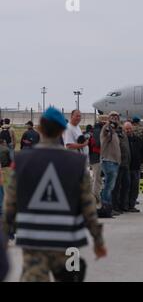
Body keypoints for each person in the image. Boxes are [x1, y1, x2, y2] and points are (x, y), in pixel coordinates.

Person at [2, 107, 107, 282]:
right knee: (69, 277)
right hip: (66, 239)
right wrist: (98, 240)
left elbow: (10, 204)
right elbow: (88, 207)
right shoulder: (76, 163)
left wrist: (4, 236)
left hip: (33, 239)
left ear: (40, 129)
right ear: (61, 130)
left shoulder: (22, 160)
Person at [99, 112, 121, 214]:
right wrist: (109, 124)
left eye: (116, 117)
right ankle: (105, 208)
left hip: (114, 162)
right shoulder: (106, 129)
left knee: (110, 186)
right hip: (108, 161)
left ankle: (108, 207)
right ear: (109, 119)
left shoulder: (115, 132)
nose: (115, 119)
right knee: (108, 186)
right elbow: (105, 132)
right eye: (113, 117)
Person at [125, 122, 143, 213]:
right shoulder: (123, 140)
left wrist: (140, 161)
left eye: (129, 129)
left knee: (135, 187)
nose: (128, 131)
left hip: (136, 167)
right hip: (126, 167)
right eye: (126, 129)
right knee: (126, 187)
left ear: (132, 129)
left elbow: (142, 151)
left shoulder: (137, 139)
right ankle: (125, 205)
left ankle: (131, 205)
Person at [111, 125, 130, 215]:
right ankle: (115, 206)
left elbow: (127, 149)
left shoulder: (124, 135)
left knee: (126, 185)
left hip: (125, 164)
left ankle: (123, 205)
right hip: (118, 164)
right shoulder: (113, 135)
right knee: (116, 186)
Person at [89, 115, 108, 205]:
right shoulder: (98, 131)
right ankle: (95, 199)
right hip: (96, 157)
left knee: (97, 179)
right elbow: (98, 143)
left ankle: (96, 197)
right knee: (97, 179)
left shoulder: (97, 129)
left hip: (97, 157)